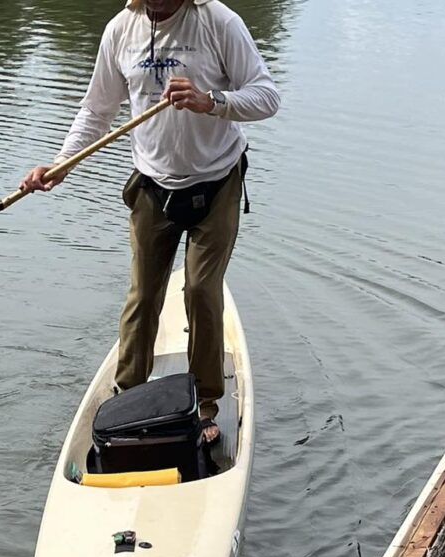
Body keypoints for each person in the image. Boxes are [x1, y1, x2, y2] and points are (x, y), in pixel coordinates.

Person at [20, 0, 279, 442]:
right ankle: (127, 397)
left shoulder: (218, 22)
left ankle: (205, 405)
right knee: (142, 296)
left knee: (200, 289)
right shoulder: (121, 29)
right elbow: (96, 110)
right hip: (152, 184)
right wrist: (63, 162)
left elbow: (267, 97)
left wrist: (211, 101)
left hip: (217, 181)